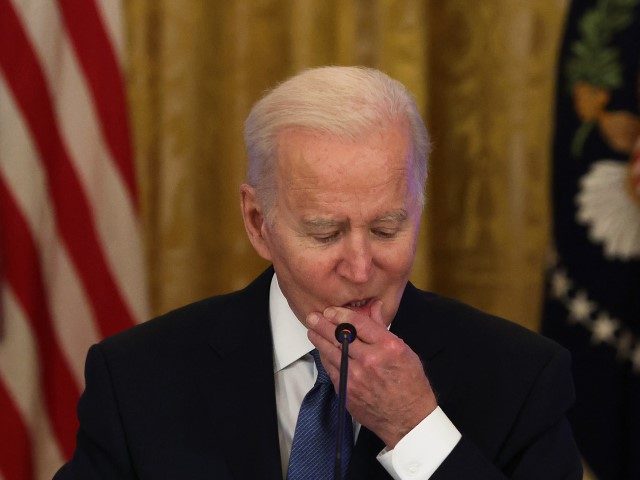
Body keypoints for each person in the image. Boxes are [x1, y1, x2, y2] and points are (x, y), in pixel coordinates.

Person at [55, 66, 582, 479]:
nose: (359, 267)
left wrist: (416, 428)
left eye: (386, 228)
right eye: (325, 234)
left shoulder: (523, 379)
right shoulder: (138, 378)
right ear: (258, 222)